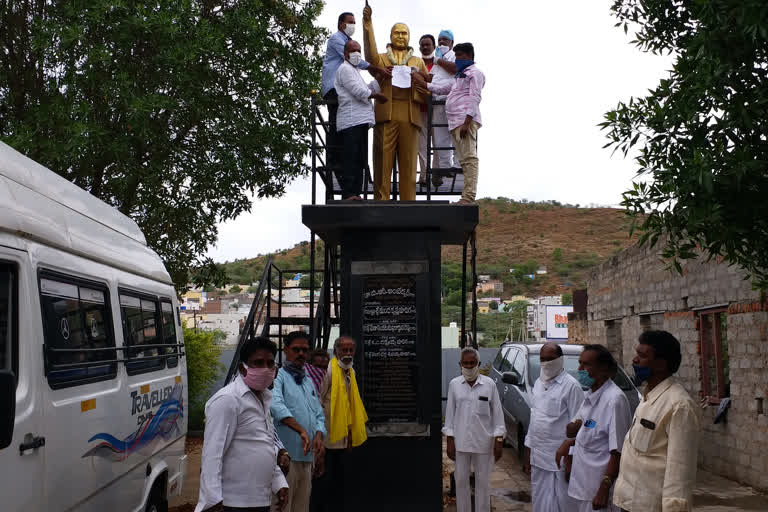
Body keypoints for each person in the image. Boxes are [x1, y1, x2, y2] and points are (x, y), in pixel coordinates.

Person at [195, 338, 288, 512]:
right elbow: (212, 454)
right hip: (233, 503)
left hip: (260, 500)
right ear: (242, 368)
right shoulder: (228, 400)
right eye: (258, 363)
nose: (265, 369)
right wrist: (212, 499)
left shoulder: (263, 398)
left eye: (270, 363)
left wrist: (279, 482)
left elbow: (263, 445)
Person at [613, 331, 701, 512]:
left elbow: (680, 469)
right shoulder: (647, 397)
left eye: (643, 356)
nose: (635, 360)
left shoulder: (679, 405)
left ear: (661, 364)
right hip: (629, 502)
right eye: (637, 354)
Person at [362, 1, 430, 201]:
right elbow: (369, 55)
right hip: (387, 113)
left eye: (404, 33)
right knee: (382, 162)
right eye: (397, 33)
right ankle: (381, 201)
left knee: (409, 165)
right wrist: (368, 23)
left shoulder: (417, 62)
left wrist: (416, 79)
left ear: (409, 38)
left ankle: (408, 202)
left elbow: (427, 89)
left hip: (410, 116)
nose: (401, 36)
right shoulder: (382, 59)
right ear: (390, 36)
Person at [556, 345, 631, 512]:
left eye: (586, 365)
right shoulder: (589, 395)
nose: (579, 369)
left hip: (598, 493)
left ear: (603, 368)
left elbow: (618, 451)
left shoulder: (614, 400)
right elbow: (579, 430)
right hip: (582, 487)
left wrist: (604, 489)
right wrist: (569, 440)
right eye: (579, 363)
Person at [413, 42, 484, 204]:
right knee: (464, 159)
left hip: (464, 121)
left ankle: (468, 197)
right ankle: (466, 196)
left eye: (461, 56)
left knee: (469, 159)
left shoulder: (475, 74)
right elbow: (441, 88)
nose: (458, 59)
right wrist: (421, 82)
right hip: (455, 123)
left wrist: (467, 122)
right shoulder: (460, 76)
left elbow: (475, 97)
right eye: (457, 56)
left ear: (470, 56)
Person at [320, 12, 388, 175]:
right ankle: (333, 158)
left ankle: (339, 156)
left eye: (354, 22)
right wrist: (377, 68)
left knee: (340, 124)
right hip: (333, 87)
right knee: (335, 123)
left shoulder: (349, 42)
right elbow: (357, 61)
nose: (353, 25)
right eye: (350, 22)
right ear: (341, 24)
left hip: (343, 88)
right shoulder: (337, 39)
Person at [524, 343, 585, 512]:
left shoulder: (571, 386)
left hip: (560, 460)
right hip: (538, 457)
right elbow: (534, 418)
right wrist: (528, 451)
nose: (546, 363)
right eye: (542, 359)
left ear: (560, 360)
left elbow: (577, 426)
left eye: (550, 359)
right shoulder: (538, 383)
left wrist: (570, 460)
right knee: (540, 501)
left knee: (563, 504)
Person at [443, 347, 505, 512]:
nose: (469, 367)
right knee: (461, 482)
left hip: (484, 443)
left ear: (479, 364)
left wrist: (499, 440)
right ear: (460, 364)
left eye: (472, 363)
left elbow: (498, 414)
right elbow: (449, 416)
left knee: (483, 483)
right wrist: (449, 440)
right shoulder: (454, 385)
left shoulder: (489, 385)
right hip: (461, 443)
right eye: (466, 363)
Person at [270, 332, 326, 512]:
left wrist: (318, 434)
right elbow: (276, 406)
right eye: (296, 349)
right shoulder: (278, 377)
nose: (301, 354)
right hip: (286, 458)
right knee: (283, 507)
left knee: (302, 508)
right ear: (286, 350)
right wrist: (301, 430)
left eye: (304, 350)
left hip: (308, 457)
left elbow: (319, 414)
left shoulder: (308, 381)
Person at [316, 336, 369, 511]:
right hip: (327, 437)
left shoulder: (350, 371)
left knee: (340, 480)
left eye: (350, 350)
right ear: (336, 351)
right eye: (343, 350)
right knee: (325, 481)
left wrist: (351, 433)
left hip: (344, 437)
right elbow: (318, 401)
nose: (347, 354)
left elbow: (350, 406)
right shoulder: (329, 371)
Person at [334, 40, 388, 200]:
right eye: (353, 50)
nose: (357, 53)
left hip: (360, 121)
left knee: (359, 159)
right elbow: (359, 91)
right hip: (351, 120)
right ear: (345, 54)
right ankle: (349, 193)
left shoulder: (355, 71)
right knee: (351, 158)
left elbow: (366, 89)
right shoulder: (344, 69)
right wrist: (377, 95)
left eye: (359, 50)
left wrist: (380, 79)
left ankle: (355, 193)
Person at [416, 32, 456, 186]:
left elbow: (455, 70)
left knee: (441, 140)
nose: (426, 47)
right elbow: (430, 78)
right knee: (422, 145)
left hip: (441, 104)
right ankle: (425, 175)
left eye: (443, 40)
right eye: (423, 45)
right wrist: (415, 73)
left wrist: (437, 60)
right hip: (421, 108)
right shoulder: (416, 61)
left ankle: (438, 172)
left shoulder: (445, 58)